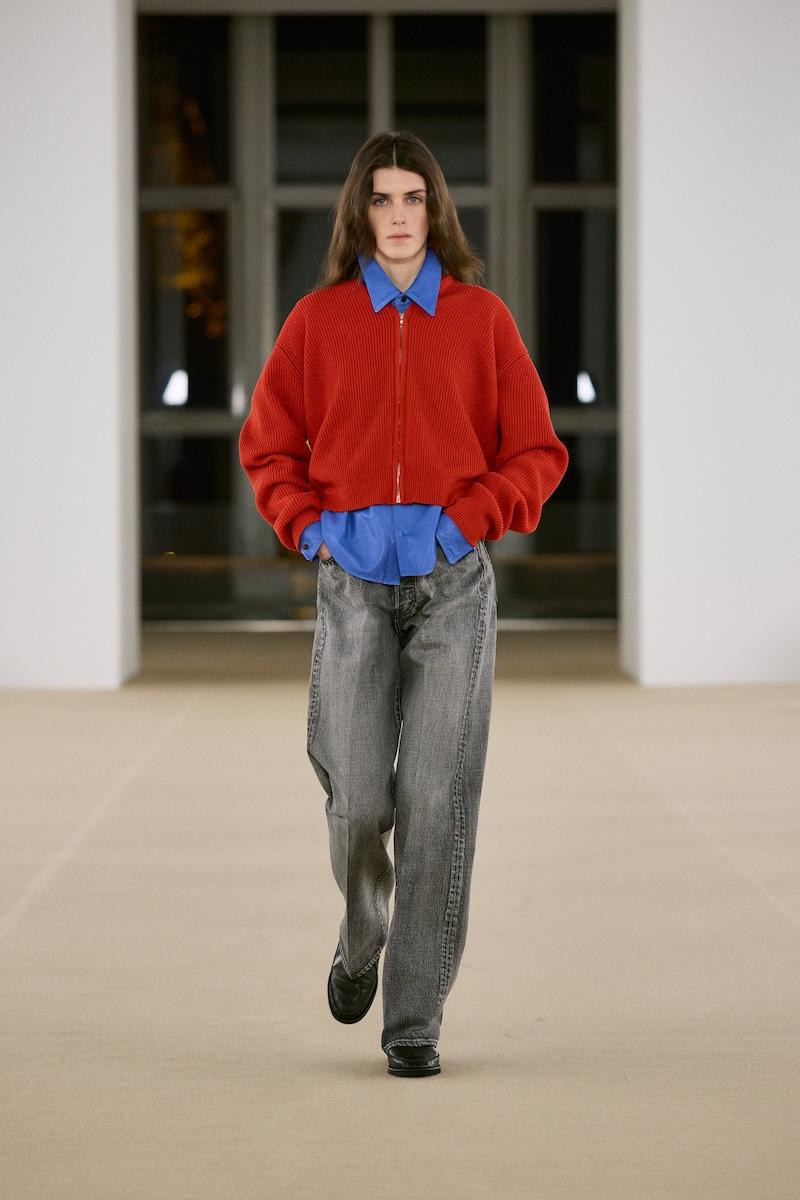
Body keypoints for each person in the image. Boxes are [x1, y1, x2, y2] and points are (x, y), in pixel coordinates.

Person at [239, 130, 568, 1078]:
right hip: (352, 586)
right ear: (360, 213)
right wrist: (312, 530)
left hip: (452, 588)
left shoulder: (480, 320)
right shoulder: (319, 322)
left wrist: (466, 521)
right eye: (380, 199)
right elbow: (268, 448)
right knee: (355, 797)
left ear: (435, 211)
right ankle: (361, 935)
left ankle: (413, 1020)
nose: (397, 215)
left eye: (413, 198)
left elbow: (537, 451)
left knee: (435, 799)